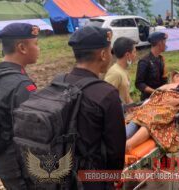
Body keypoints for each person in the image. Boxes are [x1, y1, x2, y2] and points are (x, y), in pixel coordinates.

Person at [68, 26, 126, 190]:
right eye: (109, 51)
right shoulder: (106, 94)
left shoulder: (60, 82)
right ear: (103, 54)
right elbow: (116, 149)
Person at [0, 23, 39, 189]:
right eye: (36, 44)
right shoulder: (22, 86)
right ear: (22, 48)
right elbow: (35, 133)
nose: (38, 49)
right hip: (19, 167)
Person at [135, 32, 168, 101]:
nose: (166, 44)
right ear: (160, 43)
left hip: (161, 96)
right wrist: (154, 92)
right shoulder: (144, 61)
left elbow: (164, 79)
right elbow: (139, 83)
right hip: (148, 99)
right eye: (165, 42)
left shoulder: (161, 59)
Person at [104, 37, 137, 104]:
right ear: (127, 55)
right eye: (134, 52)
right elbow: (106, 99)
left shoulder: (123, 70)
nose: (135, 55)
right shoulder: (115, 74)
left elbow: (126, 97)